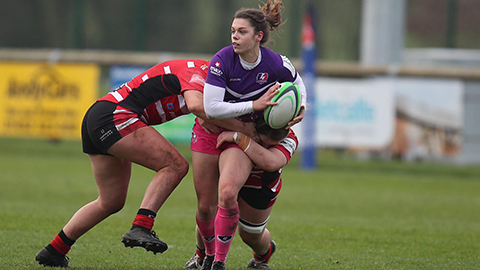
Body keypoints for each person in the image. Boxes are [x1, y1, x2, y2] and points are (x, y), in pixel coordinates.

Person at [34, 59, 256, 268]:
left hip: (99, 115)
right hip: (115, 116)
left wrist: (208, 117)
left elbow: (202, 108)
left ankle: (54, 250)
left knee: (110, 202)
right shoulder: (199, 72)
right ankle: (141, 225)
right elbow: (197, 105)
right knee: (175, 165)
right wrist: (245, 129)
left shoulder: (204, 79)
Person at [193, 1, 307, 269]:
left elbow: (299, 85)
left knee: (250, 233)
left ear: (258, 36)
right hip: (220, 129)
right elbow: (211, 108)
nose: (234, 36)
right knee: (209, 205)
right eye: (233, 31)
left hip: (245, 139)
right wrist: (254, 107)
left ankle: (262, 253)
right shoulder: (222, 60)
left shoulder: (276, 64)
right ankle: (209, 259)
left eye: (241, 31)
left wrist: (302, 106)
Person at [185, 118, 298, 269]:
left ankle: (264, 253)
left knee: (250, 235)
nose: (267, 145)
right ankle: (201, 254)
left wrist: (238, 138)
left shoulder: (290, 138)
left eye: (272, 143)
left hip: (259, 185)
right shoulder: (245, 123)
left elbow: (270, 163)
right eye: (263, 141)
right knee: (211, 211)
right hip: (233, 171)